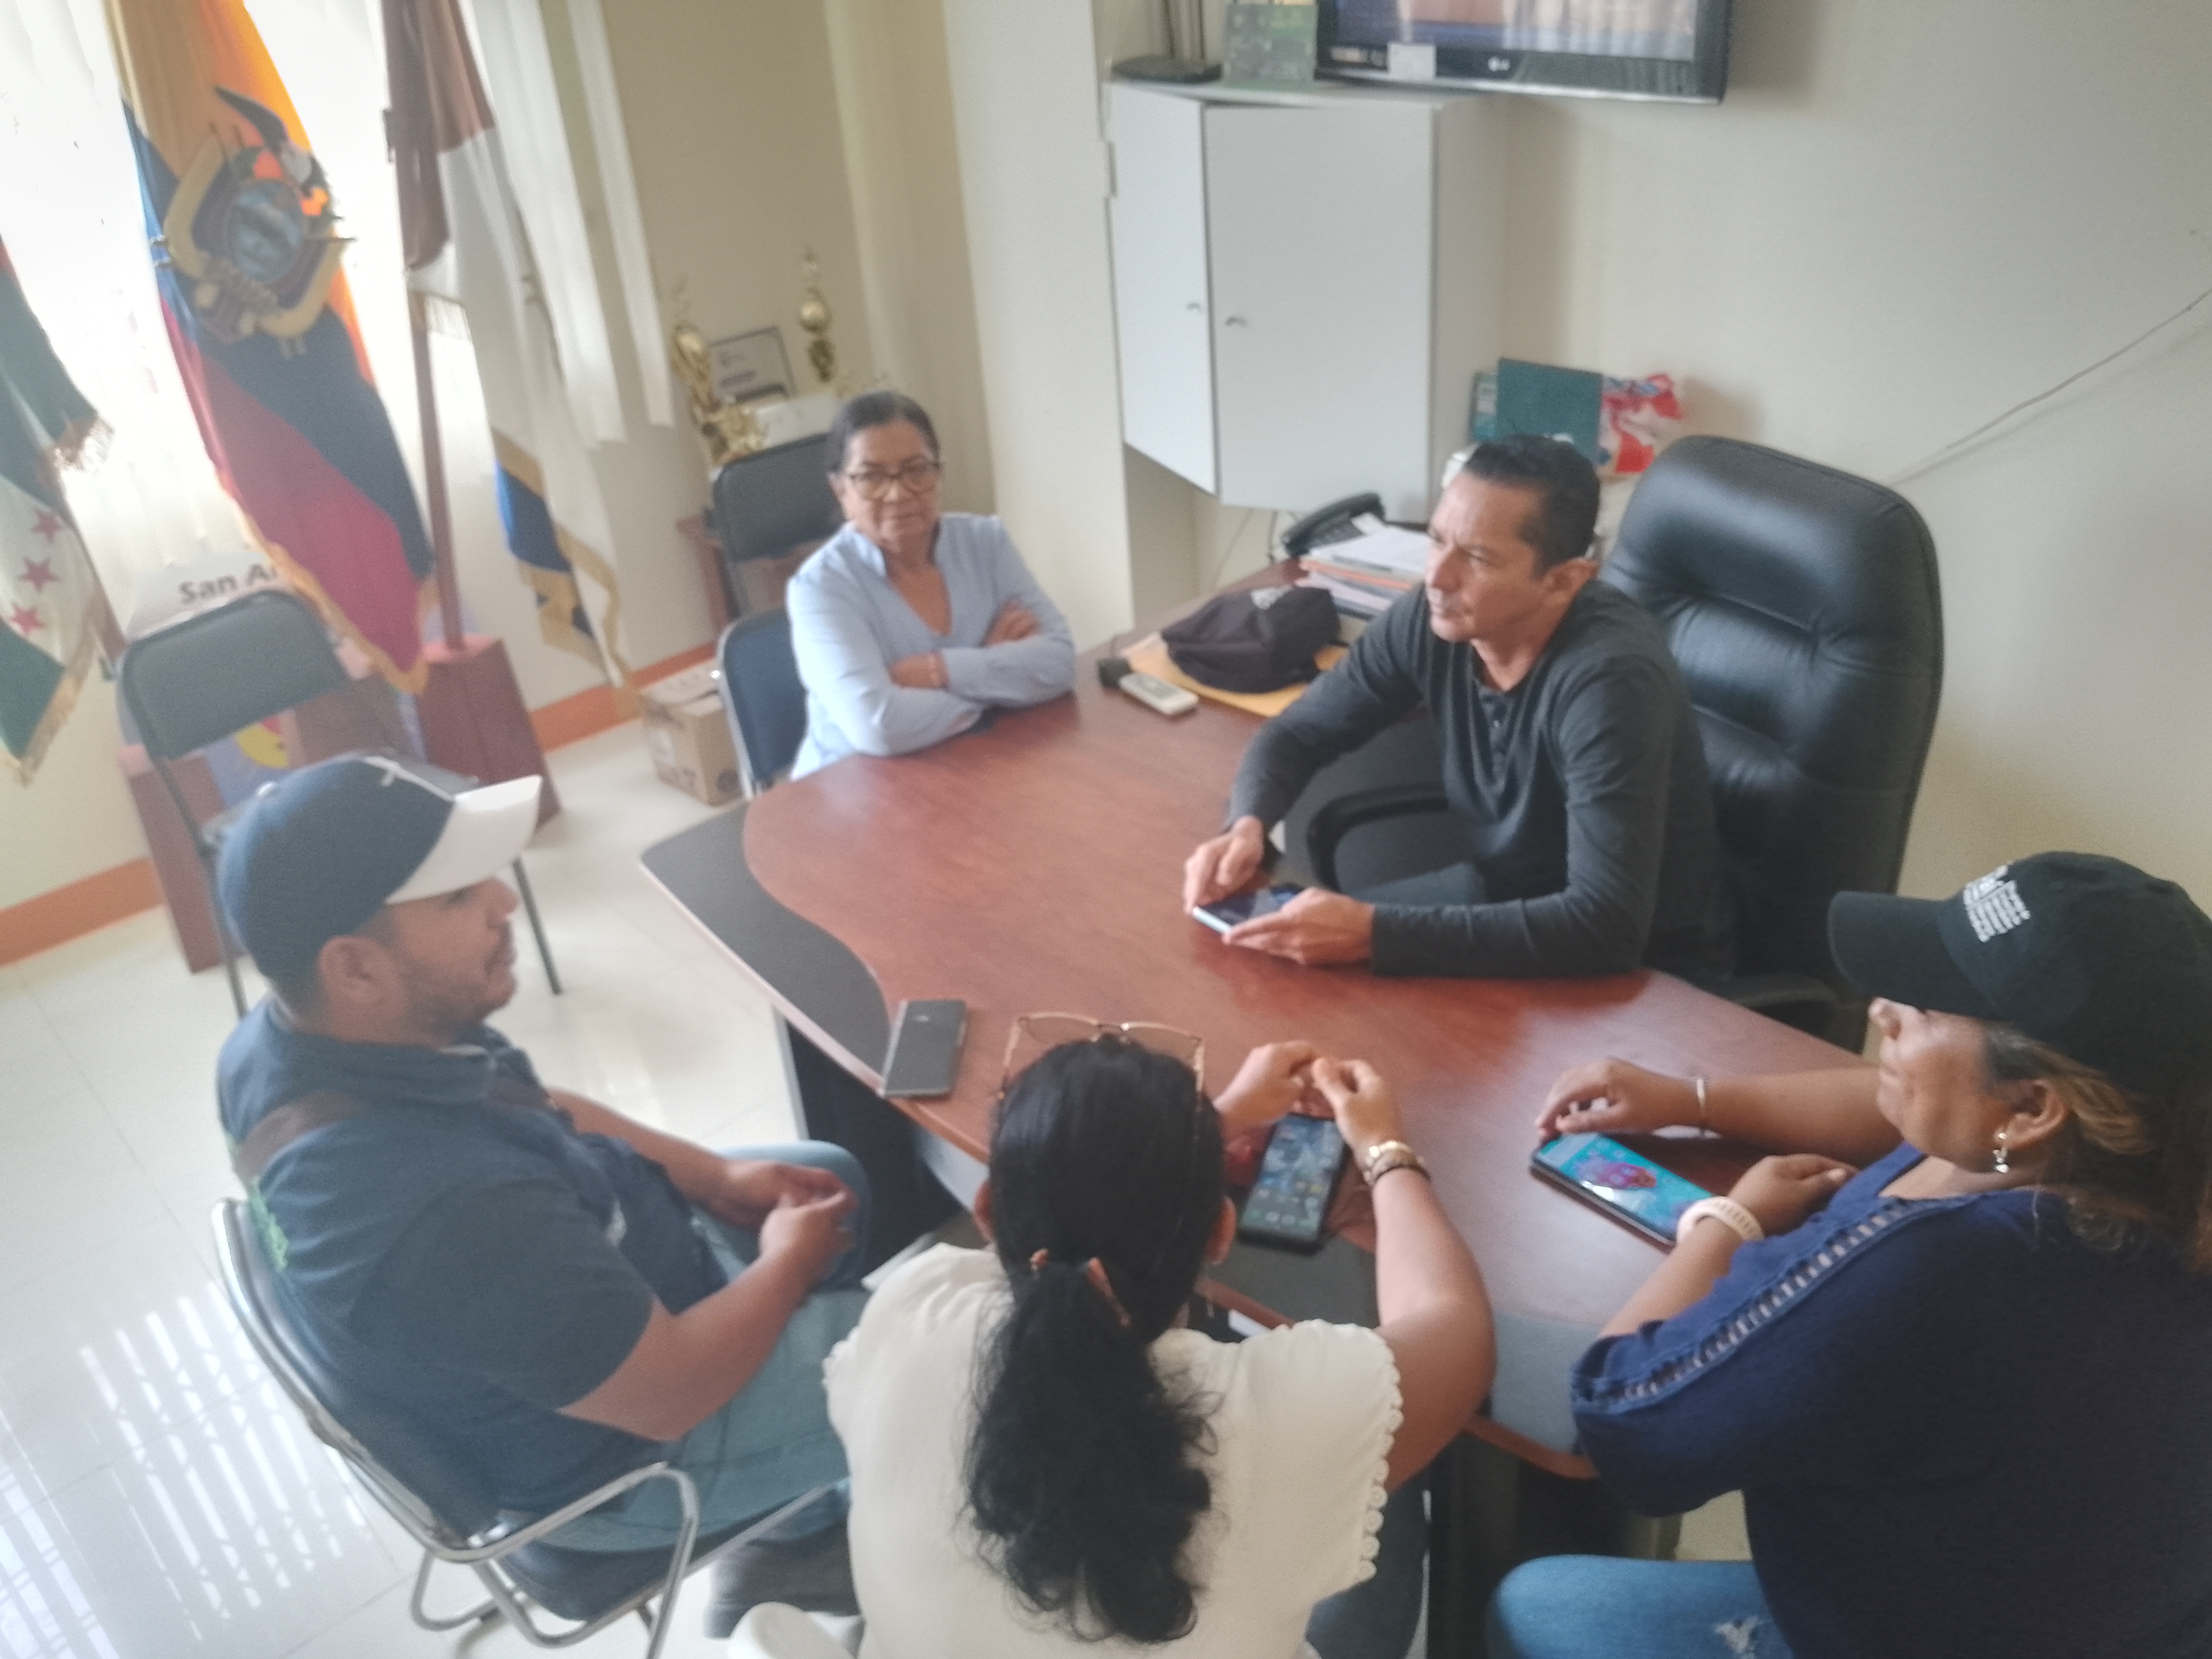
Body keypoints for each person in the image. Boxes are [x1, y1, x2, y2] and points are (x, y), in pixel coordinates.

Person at [1488, 852, 2212, 1659]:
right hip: (2110, 1621)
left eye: (1923, 1008)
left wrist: (1724, 1223)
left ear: (2029, 1108)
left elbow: (1620, 1419)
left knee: (1534, 1604)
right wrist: (1694, 1099)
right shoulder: (2144, 1159)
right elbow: (1893, 1109)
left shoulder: (1928, 1273)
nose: (1880, 1010)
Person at [214, 755, 869, 1628]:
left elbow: (532, 1104)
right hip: (638, 1462)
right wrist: (786, 1265)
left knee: (835, 1174)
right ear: (356, 969)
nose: (504, 901)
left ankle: (798, 1539)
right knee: (963, 1360)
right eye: (457, 898)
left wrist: (714, 1177)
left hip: (602, 1308)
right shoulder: (440, 1217)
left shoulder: (295, 1044)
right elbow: (672, 1393)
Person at [825, 1028, 1495, 1658]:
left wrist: (1210, 1125)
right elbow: (1453, 1323)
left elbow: (1069, 1248)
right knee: (1383, 1482)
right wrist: (1383, 1148)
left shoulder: (911, 1310)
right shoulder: (1289, 1421)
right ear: (1220, 1234)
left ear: (986, 1211)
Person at [1181, 433, 1731, 981]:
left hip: (1639, 975)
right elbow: (1298, 733)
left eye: (1476, 557)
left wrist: (1374, 934)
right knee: (1264, 970)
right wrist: (1246, 824)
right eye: (1437, 540)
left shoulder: (1610, 682)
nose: (1437, 577)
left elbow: (1606, 927)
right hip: (1500, 904)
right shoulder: (1432, 617)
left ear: (1563, 581)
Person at [786, 391, 1075, 777]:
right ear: (841, 489)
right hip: (854, 785)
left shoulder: (986, 542)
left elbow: (1059, 662)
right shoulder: (819, 588)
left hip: (970, 764)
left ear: (938, 474)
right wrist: (996, 678)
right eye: (872, 477)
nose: (898, 493)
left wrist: (937, 671)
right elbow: (879, 727)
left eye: (917, 470)